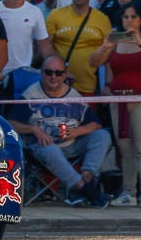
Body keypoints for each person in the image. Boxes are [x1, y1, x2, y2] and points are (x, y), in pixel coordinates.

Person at [7, 55, 112, 206]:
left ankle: (86, 178)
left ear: (65, 74)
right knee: (50, 149)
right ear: (41, 73)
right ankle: (84, 189)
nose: (53, 77)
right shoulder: (31, 95)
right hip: (43, 146)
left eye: (58, 73)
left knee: (102, 136)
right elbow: (11, 123)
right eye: (48, 72)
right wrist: (34, 129)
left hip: (72, 143)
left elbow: (96, 124)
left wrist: (78, 131)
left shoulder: (73, 95)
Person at [95, 1, 141, 208]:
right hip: (119, 101)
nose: (129, 20)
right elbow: (94, 62)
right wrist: (106, 46)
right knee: (125, 148)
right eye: (126, 17)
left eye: (133, 17)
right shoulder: (115, 42)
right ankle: (129, 192)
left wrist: (140, 42)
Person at [45, 0, 110, 93]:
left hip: (88, 86)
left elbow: (108, 56)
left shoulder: (103, 19)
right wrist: (60, 70)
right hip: (58, 84)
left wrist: (107, 84)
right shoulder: (55, 15)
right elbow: (46, 47)